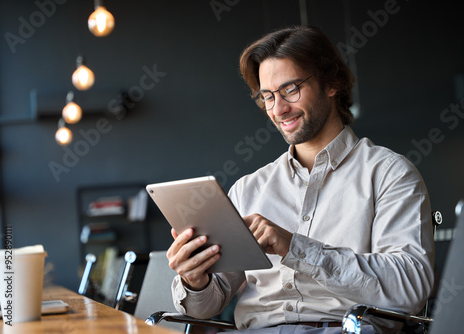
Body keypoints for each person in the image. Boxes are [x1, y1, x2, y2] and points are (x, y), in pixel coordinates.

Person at [167, 25, 435, 333]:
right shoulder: (248, 189)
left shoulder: (390, 174)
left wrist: (295, 247)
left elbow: (411, 288)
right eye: (268, 96)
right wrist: (195, 280)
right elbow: (206, 307)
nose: (278, 109)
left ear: (331, 83)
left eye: (290, 90)